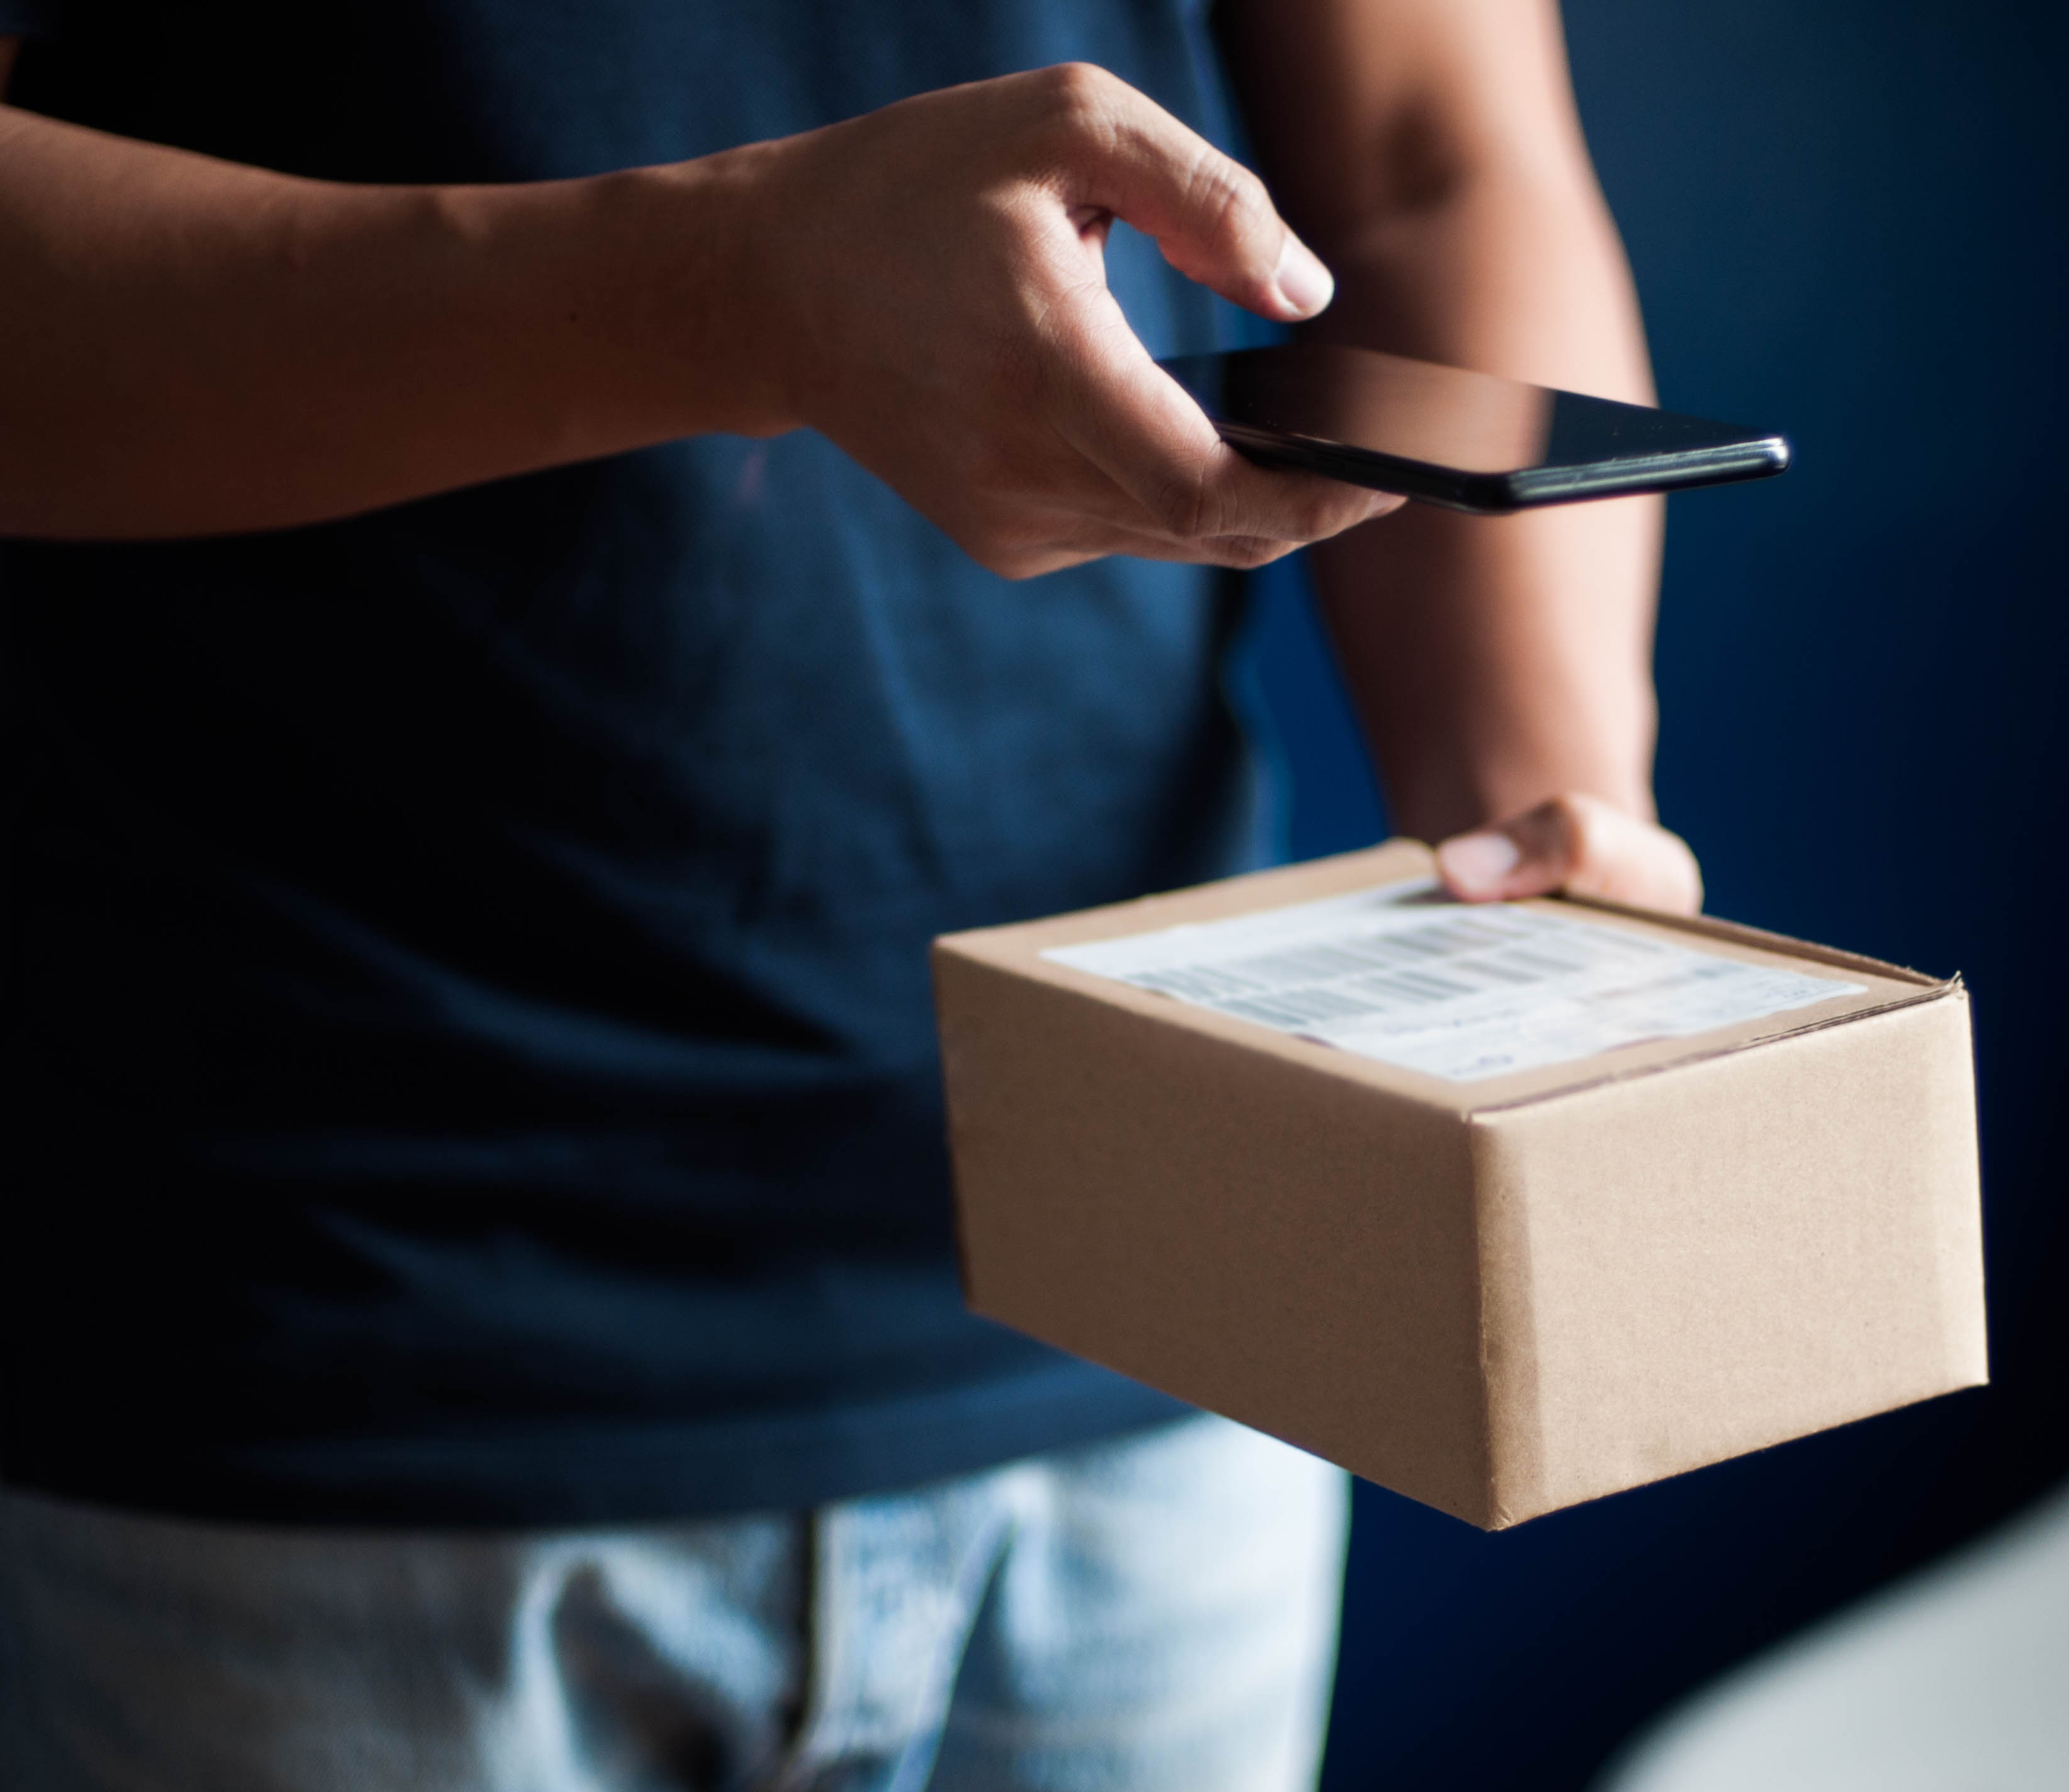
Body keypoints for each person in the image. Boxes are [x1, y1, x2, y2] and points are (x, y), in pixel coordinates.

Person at [0, 1, 1701, 1783]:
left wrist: (1542, 814)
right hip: (323, 1362)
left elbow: (1431, 161)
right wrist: (725, 287)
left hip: (1167, 1288)